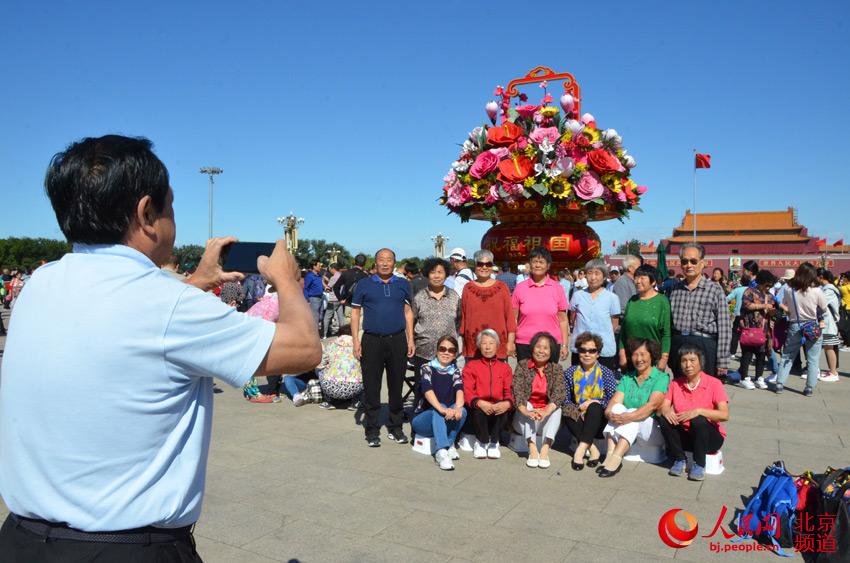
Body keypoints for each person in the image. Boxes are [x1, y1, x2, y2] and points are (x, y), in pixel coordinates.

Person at [0, 135, 322, 560]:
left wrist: (194, 284)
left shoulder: (40, 284)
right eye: (169, 207)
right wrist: (285, 278)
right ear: (146, 213)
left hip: (23, 540)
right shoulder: (168, 305)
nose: (172, 219)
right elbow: (303, 349)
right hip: (125, 548)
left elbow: (123, 327)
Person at [350, 248, 414, 447]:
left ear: (394, 263)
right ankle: (372, 429)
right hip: (371, 340)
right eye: (381, 260)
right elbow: (355, 313)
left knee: (396, 386)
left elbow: (408, 312)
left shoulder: (403, 284)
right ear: (375, 263)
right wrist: (355, 340)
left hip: (397, 340)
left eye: (389, 260)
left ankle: (396, 428)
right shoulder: (364, 284)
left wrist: (410, 339)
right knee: (372, 387)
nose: (385, 263)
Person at [599, 338, 669, 478]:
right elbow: (615, 401)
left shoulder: (661, 377)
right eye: (635, 355)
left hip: (651, 431)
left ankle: (617, 458)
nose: (638, 359)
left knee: (630, 411)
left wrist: (628, 416)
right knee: (617, 408)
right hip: (629, 426)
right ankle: (610, 454)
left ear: (652, 355)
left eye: (643, 354)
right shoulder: (628, 378)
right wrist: (609, 413)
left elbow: (652, 405)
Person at [658, 346, 729, 481]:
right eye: (684, 361)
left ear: (700, 362)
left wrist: (698, 411)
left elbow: (724, 415)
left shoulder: (714, 383)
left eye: (692, 360)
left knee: (699, 419)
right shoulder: (675, 383)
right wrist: (666, 411)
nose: (688, 364)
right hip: (686, 437)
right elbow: (663, 406)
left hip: (709, 438)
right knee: (664, 419)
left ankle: (700, 464)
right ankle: (680, 459)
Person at [668, 242, 731, 379]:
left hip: (704, 344)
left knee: (703, 391)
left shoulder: (714, 289)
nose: (688, 265)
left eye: (693, 261)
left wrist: (723, 361)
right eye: (684, 261)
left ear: (702, 263)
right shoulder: (675, 289)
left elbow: (725, 326)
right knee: (680, 388)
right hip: (679, 343)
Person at [562, 332, 617, 471]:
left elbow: (612, 400)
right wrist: (578, 409)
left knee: (594, 407)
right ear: (578, 352)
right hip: (579, 419)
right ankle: (593, 449)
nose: (587, 354)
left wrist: (594, 402)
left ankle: (579, 451)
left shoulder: (606, 372)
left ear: (598, 354)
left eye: (592, 351)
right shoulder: (570, 372)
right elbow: (566, 399)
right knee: (566, 409)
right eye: (583, 350)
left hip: (599, 421)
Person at [411, 335, 467, 471]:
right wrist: (442, 409)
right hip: (423, 420)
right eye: (442, 349)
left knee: (463, 411)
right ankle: (441, 451)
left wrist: (458, 408)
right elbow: (427, 390)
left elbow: (460, 390)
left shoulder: (456, 371)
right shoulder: (427, 368)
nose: (446, 352)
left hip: (445, 417)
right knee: (440, 407)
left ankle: (449, 442)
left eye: (451, 350)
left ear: (454, 355)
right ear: (436, 351)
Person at [511, 332, 566, 469]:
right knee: (527, 404)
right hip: (524, 418)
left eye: (546, 348)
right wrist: (528, 412)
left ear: (551, 351)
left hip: (545, 418)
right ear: (532, 348)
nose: (541, 351)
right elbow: (518, 393)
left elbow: (559, 393)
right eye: (538, 347)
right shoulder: (522, 366)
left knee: (557, 408)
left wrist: (546, 410)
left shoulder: (556, 369)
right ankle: (533, 448)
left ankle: (545, 449)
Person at [411, 257, 462, 402]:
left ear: (446, 275)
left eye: (440, 272)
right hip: (424, 352)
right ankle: (421, 421)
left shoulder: (454, 296)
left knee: (447, 391)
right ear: (427, 275)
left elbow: (458, 320)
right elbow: (412, 321)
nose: (437, 276)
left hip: (448, 354)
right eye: (433, 272)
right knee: (422, 392)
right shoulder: (419, 297)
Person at [775, 262, 827, 396]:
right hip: (812, 325)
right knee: (813, 357)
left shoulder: (788, 289)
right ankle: (809, 387)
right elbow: (824, 307)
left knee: (788, 355)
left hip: (795, 324)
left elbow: (785, 304)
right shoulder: (816, 290)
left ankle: (780, 383)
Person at [462, 329, 514, 459]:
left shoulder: (505, 368)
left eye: (491, 343)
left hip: (497, 408)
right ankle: (482, 441)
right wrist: (479, 402)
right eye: (484, 343)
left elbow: (509, 391)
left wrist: (507, 403)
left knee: (503, 409)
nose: (488, 347)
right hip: (478, 409)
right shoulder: (471, 366)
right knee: (479, 409)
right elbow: (467, 390)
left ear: (497, 346)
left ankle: (494, 442)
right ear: (479, 346)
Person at [512, 247, 569, 363]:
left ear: (548, 266)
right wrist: (511, 342)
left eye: (541, 262)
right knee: (526, 380)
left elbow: (563, 320)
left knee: (548, 380)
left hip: (550, 344)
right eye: (534, 262)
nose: (538, 265)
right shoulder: (520, 288)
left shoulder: (557, 288)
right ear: (530, 264)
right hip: (524, 343)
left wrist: (564, 345)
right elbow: (514, 319)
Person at [460, 249, 516, 360]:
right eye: (480, 264)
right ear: (475, 266)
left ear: (492, 266)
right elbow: (464, 317)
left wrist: (511, 342)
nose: (484, 267)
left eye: (488, 264)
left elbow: (509, 316)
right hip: (473, 344)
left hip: (498, 343)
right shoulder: (468, 288)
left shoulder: (502, 287)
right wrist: (463, 342)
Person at [568, 259, 620, 371]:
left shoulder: (612, 298)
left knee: (602, 384)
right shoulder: (578, 295)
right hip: (581, 348)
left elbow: (614, 324)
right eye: (590, 273)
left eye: (597, 273)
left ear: (604, 276)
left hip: (604, 349)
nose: (593, 277)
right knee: (578, 383)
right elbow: (572, 317)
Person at [618, 264, 671, 372]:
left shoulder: (662, 301)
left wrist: (664, 358)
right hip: (632, 358)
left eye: (642, 278)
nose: (637, 281)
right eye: (636, 277)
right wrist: (622, 353)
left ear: (653, 282)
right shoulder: (632, 300)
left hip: (653, 359)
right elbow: (623, 330)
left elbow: (666, 333)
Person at [737, 270, 778, 390]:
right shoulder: (749, 291)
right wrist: (763, 306)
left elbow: (773, 311)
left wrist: (773, 311)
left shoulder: (770, 296)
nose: (768, 287)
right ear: (760, 282)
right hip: (750, 328)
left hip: (764, 330)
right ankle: (744, 378)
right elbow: (746, 305)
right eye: (766, 284)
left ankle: (759, 377)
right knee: (747, 354)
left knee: (761, 355)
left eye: (770, 285)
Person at [316, 324, 364, 409]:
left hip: (330, 387)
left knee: (319, 371)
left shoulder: (332, 344)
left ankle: (328, 401)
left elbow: (322, 364)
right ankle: (355, 402)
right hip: (354, 388)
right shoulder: (358, 346)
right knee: (366, 372)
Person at [817, 268, 842, 383]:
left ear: (821, 277)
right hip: (828, 323)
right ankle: (832, 371)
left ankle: (833, 372)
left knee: (829, 347)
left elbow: (821, 303)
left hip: (828, 323)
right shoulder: (827, 289)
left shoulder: (829, 290)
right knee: (828, 347)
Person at [322, 263, 344, 337]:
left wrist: (323, 282)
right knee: (341, 318)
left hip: (333, 300)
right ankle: (343, 333)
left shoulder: (333, 277)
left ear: (333, 268)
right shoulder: (341, 275)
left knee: (326, 318)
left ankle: (324, 334)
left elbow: (328, 289)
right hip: (340, 299)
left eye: (330, 269)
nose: (330, 270)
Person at [303, 260, 326, 332]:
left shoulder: (319, 276)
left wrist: (325, 288)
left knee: (320, 317)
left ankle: (315, 332)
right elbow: (306, 288)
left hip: (320, 297)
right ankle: (315, 334)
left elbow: (320, 285)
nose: (320, 267)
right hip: (313, 298)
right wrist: (307, 300)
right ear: (314, 266)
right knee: (315, 317)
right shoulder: (309, 276)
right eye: (319, 266)